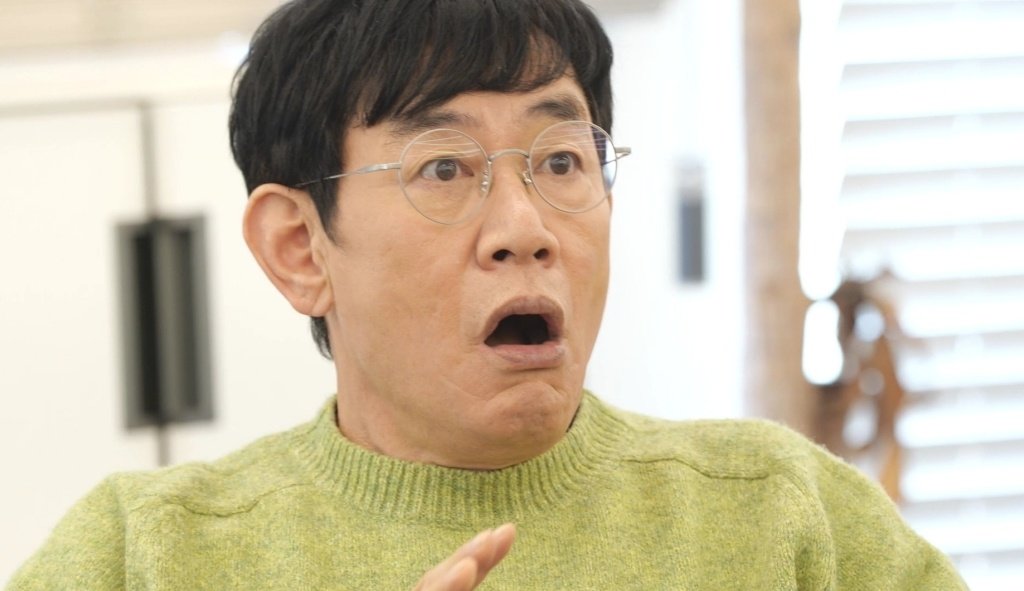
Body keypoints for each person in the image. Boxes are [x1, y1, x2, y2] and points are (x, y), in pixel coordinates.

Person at [8, 0, 967, 589]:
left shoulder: (782, 516)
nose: (524, 225)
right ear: (300, 248)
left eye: (561, 159)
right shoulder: (142, 554)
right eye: (443, 167)